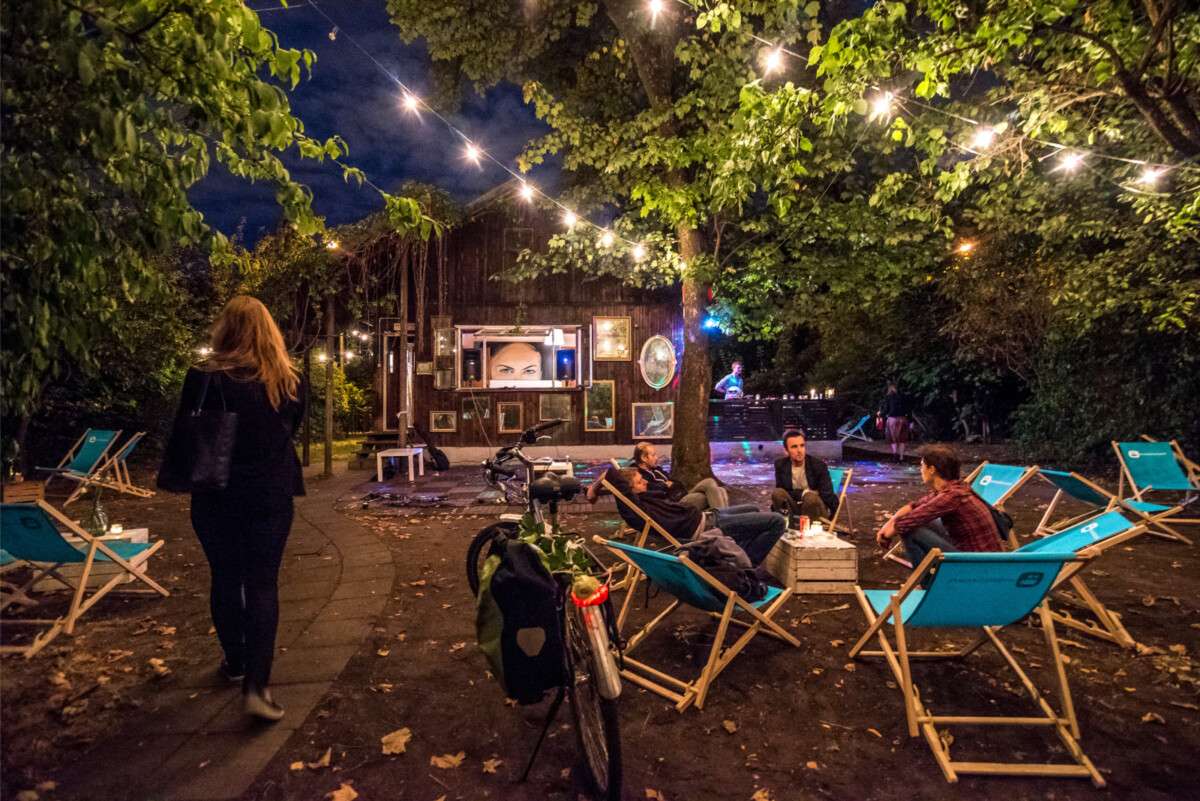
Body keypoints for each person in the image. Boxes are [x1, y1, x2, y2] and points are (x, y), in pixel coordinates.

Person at [161, 296, 307, 722]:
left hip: (215, 493)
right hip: (269, 495)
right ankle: (257, 688)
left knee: (224, 576)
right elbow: (291, 430)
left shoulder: (204, 378)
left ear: (224, 330)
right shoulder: (289, 381)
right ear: (270, 332)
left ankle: (235, 659)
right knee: (263, 584)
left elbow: (186, 430)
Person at [589, 467, 785, 566]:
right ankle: (748, 563)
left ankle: (739, 550)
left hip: (708, 516)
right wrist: (594, 489)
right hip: (706, 527)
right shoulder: (634, 508)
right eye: (640, 482)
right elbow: (611, 474)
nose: (645, 483)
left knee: (753, 508)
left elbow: (662, 488)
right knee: (776, 521)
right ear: (628, 491)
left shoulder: (644, 497)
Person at [875, 445, 1002, 569]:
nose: (920, 470)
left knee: (909, 529)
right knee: (916, 519)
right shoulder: (955, 487)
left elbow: (906, 523)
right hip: (973, 553)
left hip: (978, 565)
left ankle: (926, 579)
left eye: (922, 466)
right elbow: (913, 507)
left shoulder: (952, 496)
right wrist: (889, 524)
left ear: (932, 469)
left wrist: (886, 536)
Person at [631, 441, 728, 511]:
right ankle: (724, 523)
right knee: (711, 494)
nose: (657, 458)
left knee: (714, 485)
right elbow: (656, 491)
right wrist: (666, 485)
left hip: (681, 495)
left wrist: (671, 485)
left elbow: (676, 482)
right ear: (644, 458)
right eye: (653, 455)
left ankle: (724, 521)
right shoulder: (639, 475)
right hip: (673, 505)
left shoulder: (656, 469)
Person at [770, 430, 839, 524]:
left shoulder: (818, 465)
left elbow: (827, 494)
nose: (799, 450)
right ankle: (788, 527)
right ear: (786, 450)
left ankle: (807, 529)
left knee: (810, 498)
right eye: (794, 447)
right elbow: (782, 491)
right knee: (777, 493)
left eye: (802, 445)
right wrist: (803, 493)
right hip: (795, 507)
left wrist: (832, 516)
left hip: (816, 509)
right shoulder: (780, 465)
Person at [877, 382, 911, 461]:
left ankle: (895, 455)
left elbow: (886, 410)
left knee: (892, 438)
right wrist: (911, 420)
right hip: (903, 419)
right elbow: (908, 409)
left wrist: (880, 414)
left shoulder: (888, 397)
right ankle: (901, 457)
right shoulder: (904, 397)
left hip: (892, 419)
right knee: (902, 439)